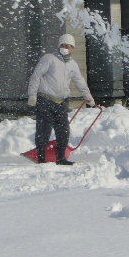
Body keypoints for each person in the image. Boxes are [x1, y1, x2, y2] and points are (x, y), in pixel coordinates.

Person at [27, 34, 95, 165]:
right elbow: (36, 75)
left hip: (61, 102)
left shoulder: (73, 65)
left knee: (63, 130)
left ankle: (61, 158)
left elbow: (79, 81)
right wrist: (32, 95)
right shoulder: (49, 59)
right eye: (63, 45)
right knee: (43, 129)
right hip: (45, 100)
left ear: (73, 48)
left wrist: (88, 96)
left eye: (69, 46)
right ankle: (41, 158)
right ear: (59, 46)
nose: (66, 48)